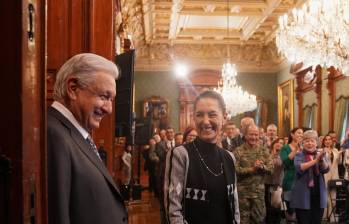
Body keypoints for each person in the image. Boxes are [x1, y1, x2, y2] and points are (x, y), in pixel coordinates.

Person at [47, 53, 127, 224]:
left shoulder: (74, 133)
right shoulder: (53, 135)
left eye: (111, 100)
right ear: (73, 88)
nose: (109, 109)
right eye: (104, 97)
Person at [164, 90, 240, 224]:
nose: (205, 121)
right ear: (193, 118)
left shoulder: (229, 157)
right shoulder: (181, 155)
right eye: (199, 115)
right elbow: (173, 211)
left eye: (212, 114)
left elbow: (234, 206)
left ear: (224, 118)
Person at [234, 124, 273, 224]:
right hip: (243, 194)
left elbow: (271, 169)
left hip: (258, 193)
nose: (254, 137)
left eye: (256, 135)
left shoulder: (264, 150)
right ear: (245, 135)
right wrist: (252, 169)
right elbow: (235, 171)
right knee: (243, 221)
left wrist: (262, 167)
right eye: (251, 134)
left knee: (259, 220)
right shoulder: (238, 151)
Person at [291, 130, 329, 224]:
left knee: (316, 221)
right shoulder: (299, 155)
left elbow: (326, 169)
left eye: (312, 141)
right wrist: (316, 160)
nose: (310, 143)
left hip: (318, 195)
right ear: (303, 143)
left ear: (316, 143)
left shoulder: (320, 155)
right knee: (304, 221)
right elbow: (300, 168)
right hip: (302, 196)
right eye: (307, 141)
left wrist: (321, 161)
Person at [279, 127, 303, 221]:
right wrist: (295, 150)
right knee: (290, 209)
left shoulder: (304, 147)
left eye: (302, 133)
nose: (301, 135)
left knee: (301, 208)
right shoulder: (285, 148)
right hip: (290, 179)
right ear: (292, 135)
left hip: (302, 180)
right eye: (298, 133)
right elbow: (285, 162)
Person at [265, 138, 285, 224]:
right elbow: (267, 164)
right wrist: (273, 153)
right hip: (267, 183)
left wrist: (276, 155)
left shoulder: (283, 155)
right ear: (273, 143)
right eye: (277, 142)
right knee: (268, 207)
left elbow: (278, 164)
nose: (279, 144)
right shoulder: (267, 154)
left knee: (277, 207)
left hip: (277, 184)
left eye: (281, 143)